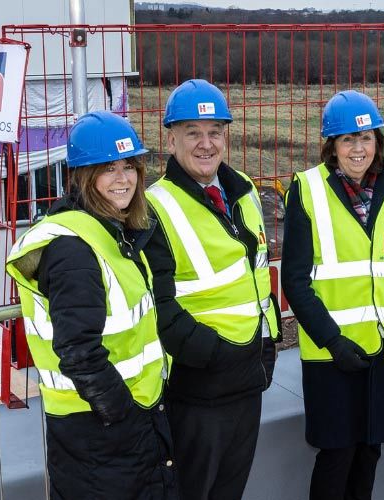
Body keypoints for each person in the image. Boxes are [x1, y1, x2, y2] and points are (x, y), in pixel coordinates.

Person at [3, 110, 175, 500]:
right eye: (108, 168)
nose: (123, 178)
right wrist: (123, 416)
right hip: (100, 431)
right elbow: (78, 351)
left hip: (122, 423)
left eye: (129, 166)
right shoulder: (74, 248)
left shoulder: (111, 232)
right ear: (82, 176)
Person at [143, 79, 279, 500]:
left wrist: (267, 342)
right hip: (199, 392)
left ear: (227, 136)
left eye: (215, 132)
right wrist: (217, 356)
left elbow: (255, 275)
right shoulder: (154, 206)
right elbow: (159, 308)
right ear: (170, 139)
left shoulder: (243, 190)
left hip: (249, 379)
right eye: (193, 133)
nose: (206, 144)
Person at [281, 90, 384, 500]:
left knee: (370, 450)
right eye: (347, 140)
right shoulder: (307, 190)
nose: (358, 149)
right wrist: (333, 342)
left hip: (383, 348)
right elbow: (296, 282)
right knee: (336, 454)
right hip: (333, 354)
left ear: (378, 142)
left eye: (366, 138)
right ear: (332, 146)